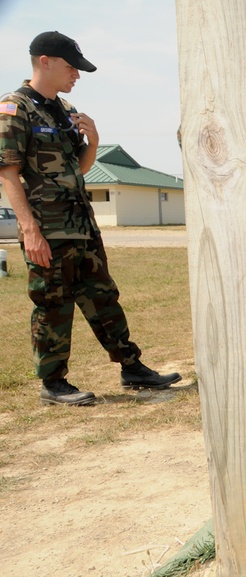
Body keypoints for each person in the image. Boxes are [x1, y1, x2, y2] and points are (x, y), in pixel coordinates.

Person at [0, 31, 181, 406]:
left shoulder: (66, 111)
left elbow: (78, 170)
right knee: (52, 303)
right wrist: (29, 230)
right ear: (45, 61)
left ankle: (132, 368)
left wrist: (94, 144)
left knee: (104, 297)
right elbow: (7, 171)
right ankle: (53, 383)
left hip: (82, 227)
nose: (77, 75)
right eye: (72, 67)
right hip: (47, 230)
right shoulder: (14, 109)